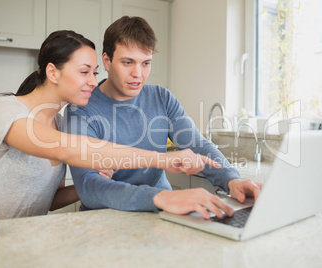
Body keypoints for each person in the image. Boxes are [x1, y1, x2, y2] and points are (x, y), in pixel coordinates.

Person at [0, 30, 221, 220]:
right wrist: (162, 159)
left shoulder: (61, 123)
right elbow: (65, 149)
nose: (92, 81)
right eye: (84, 72)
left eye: (95, 72)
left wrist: (87, 183)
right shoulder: (4, 109)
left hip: (23, 237)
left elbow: (48, 200)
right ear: (53, 72)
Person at [64, 16, 263, 220]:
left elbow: (198, 145)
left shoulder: (161, 97)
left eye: (146, 63)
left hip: (162, 215)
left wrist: (232, 181)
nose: (138, 74)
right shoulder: (81, 109)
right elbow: (89, 186)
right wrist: (160, 197)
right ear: (107, 61)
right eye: (127, 62)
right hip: (106, 220)